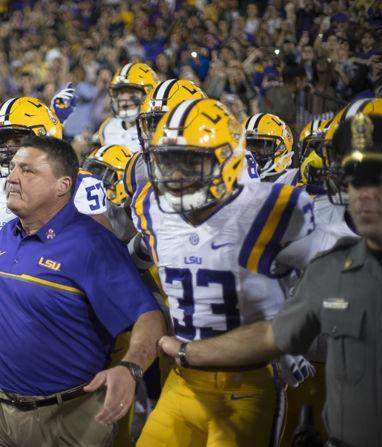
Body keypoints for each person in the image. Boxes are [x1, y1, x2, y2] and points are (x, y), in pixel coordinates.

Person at [0, 135, 165, 447]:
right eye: (12, 168)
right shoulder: (12, 231)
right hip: (0, 411)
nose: (11, 177)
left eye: (27, 171)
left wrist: (131, 368)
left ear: (62, 185)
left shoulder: (91, 244)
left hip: (67, 418)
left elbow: (149, 315)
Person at [159, 112, 382, 447]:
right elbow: (271, 328)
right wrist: (188, 352)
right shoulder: (320, 232)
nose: (363, 194)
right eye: (354, 176)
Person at [129, 98, 317, 446]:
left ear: (227, 162)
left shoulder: (272, 208)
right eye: (167, 162)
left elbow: (324, 279)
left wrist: (290, 341)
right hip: (182, 381)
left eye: (191, 162)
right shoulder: (149, 206)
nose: (176, 176)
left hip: (246, 384)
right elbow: (138, 257)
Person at [97, 62, 159, 152]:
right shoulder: (107, 128)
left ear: (149, 94)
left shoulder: (157, 130)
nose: (124, 98)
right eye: (121, 92)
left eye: (131, 91)